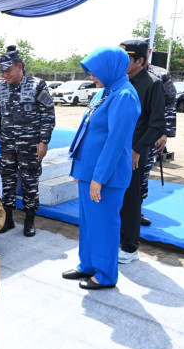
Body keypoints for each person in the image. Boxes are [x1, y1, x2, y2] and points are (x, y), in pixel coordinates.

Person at [61, 46, 141, 289]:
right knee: (87, 222)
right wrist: (80, 169)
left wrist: (98, 178)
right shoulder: (104, 92)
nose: (90, 77)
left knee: (104, 225)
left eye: (94, 72)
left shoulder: (124, 96)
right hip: (89, 172)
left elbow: (115, 142)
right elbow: (88, 131)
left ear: (109, 68)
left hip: (106, 177)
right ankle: (87, 265)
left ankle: (105, 274)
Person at [0, 45, 56, 237]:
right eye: (2, 71)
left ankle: (29, 219)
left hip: (30, 146)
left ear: (19, 66)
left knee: (30, 182)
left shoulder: (37, 85)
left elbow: (48, 115)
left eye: (8, 70)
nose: (5, 75)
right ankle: (7, 219)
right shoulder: (0, 88)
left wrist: (44, 141)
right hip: (7, 145)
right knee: (7, 181)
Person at [118, 39, 166, 263]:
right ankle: (116, 240)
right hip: (115, 150)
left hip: (134, 153)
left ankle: (129, 246)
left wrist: (137, 150)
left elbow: (156, 124)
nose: (122, 61)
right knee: (114, 197)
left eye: (126, 57)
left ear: (140, 60)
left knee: (130, 199)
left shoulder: (152, 84)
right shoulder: (118, 80)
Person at [140, 63, 177, 226]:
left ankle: (136, 210)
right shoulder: (122, 71)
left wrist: (165, 132)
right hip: (128, 133)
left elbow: (170, 104)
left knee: (143, 172)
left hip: (151, 132)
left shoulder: (160, 74)